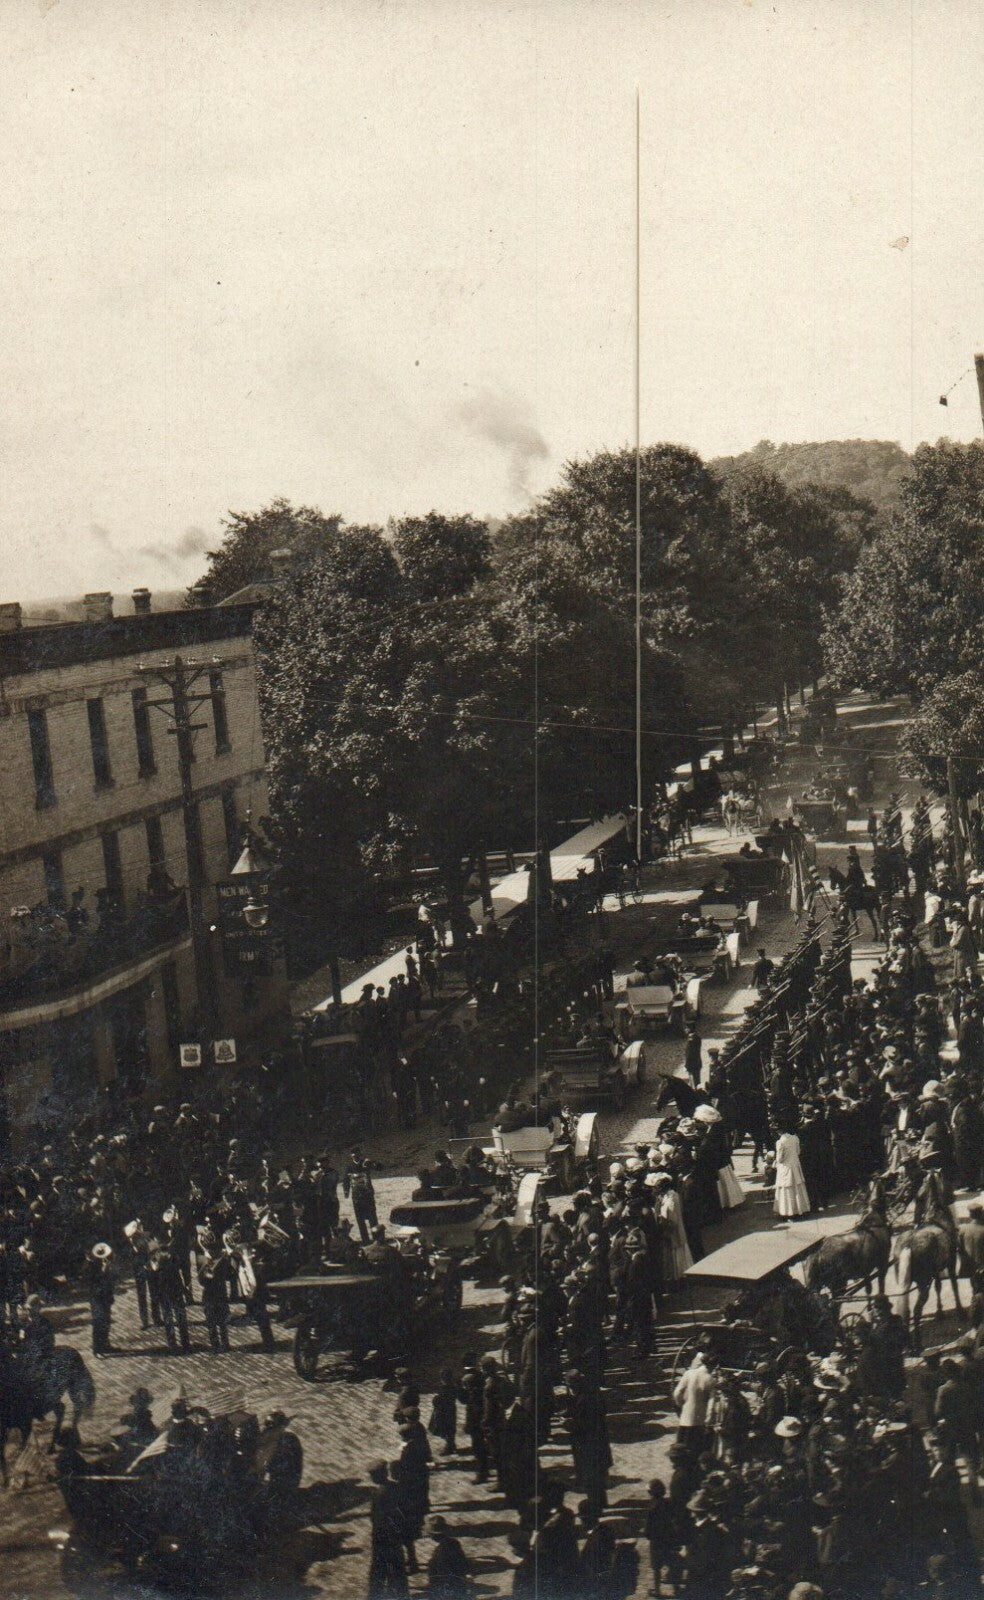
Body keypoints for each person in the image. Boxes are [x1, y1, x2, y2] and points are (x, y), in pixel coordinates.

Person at [425, 1515, 470, 1600]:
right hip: (459, 1584)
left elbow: (438, 1574)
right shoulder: (454, 1542)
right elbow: (464, 1564)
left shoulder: (440, 1551)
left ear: (432, 1536)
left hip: (446, 1589)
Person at [83, 1242, 115, 1355]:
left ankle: (106, 1344)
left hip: (105, 1296)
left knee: (106, 1321)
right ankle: (97, 1349)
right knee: (98, 1322)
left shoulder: (98, 1263)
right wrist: (103, 1271)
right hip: (96, 1298)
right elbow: (93, 1282)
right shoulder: (88, 1267)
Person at [774, 1126, 811, 1217]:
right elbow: (798, 1152)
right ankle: (800, 1209)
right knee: (797, 1187)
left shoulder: (780, 1142)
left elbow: (780, 1159)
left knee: (787, 1189)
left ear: (779, 1131)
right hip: (795, 1165)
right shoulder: (795, 1138)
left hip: (785, 1167)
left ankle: (787, 1211)